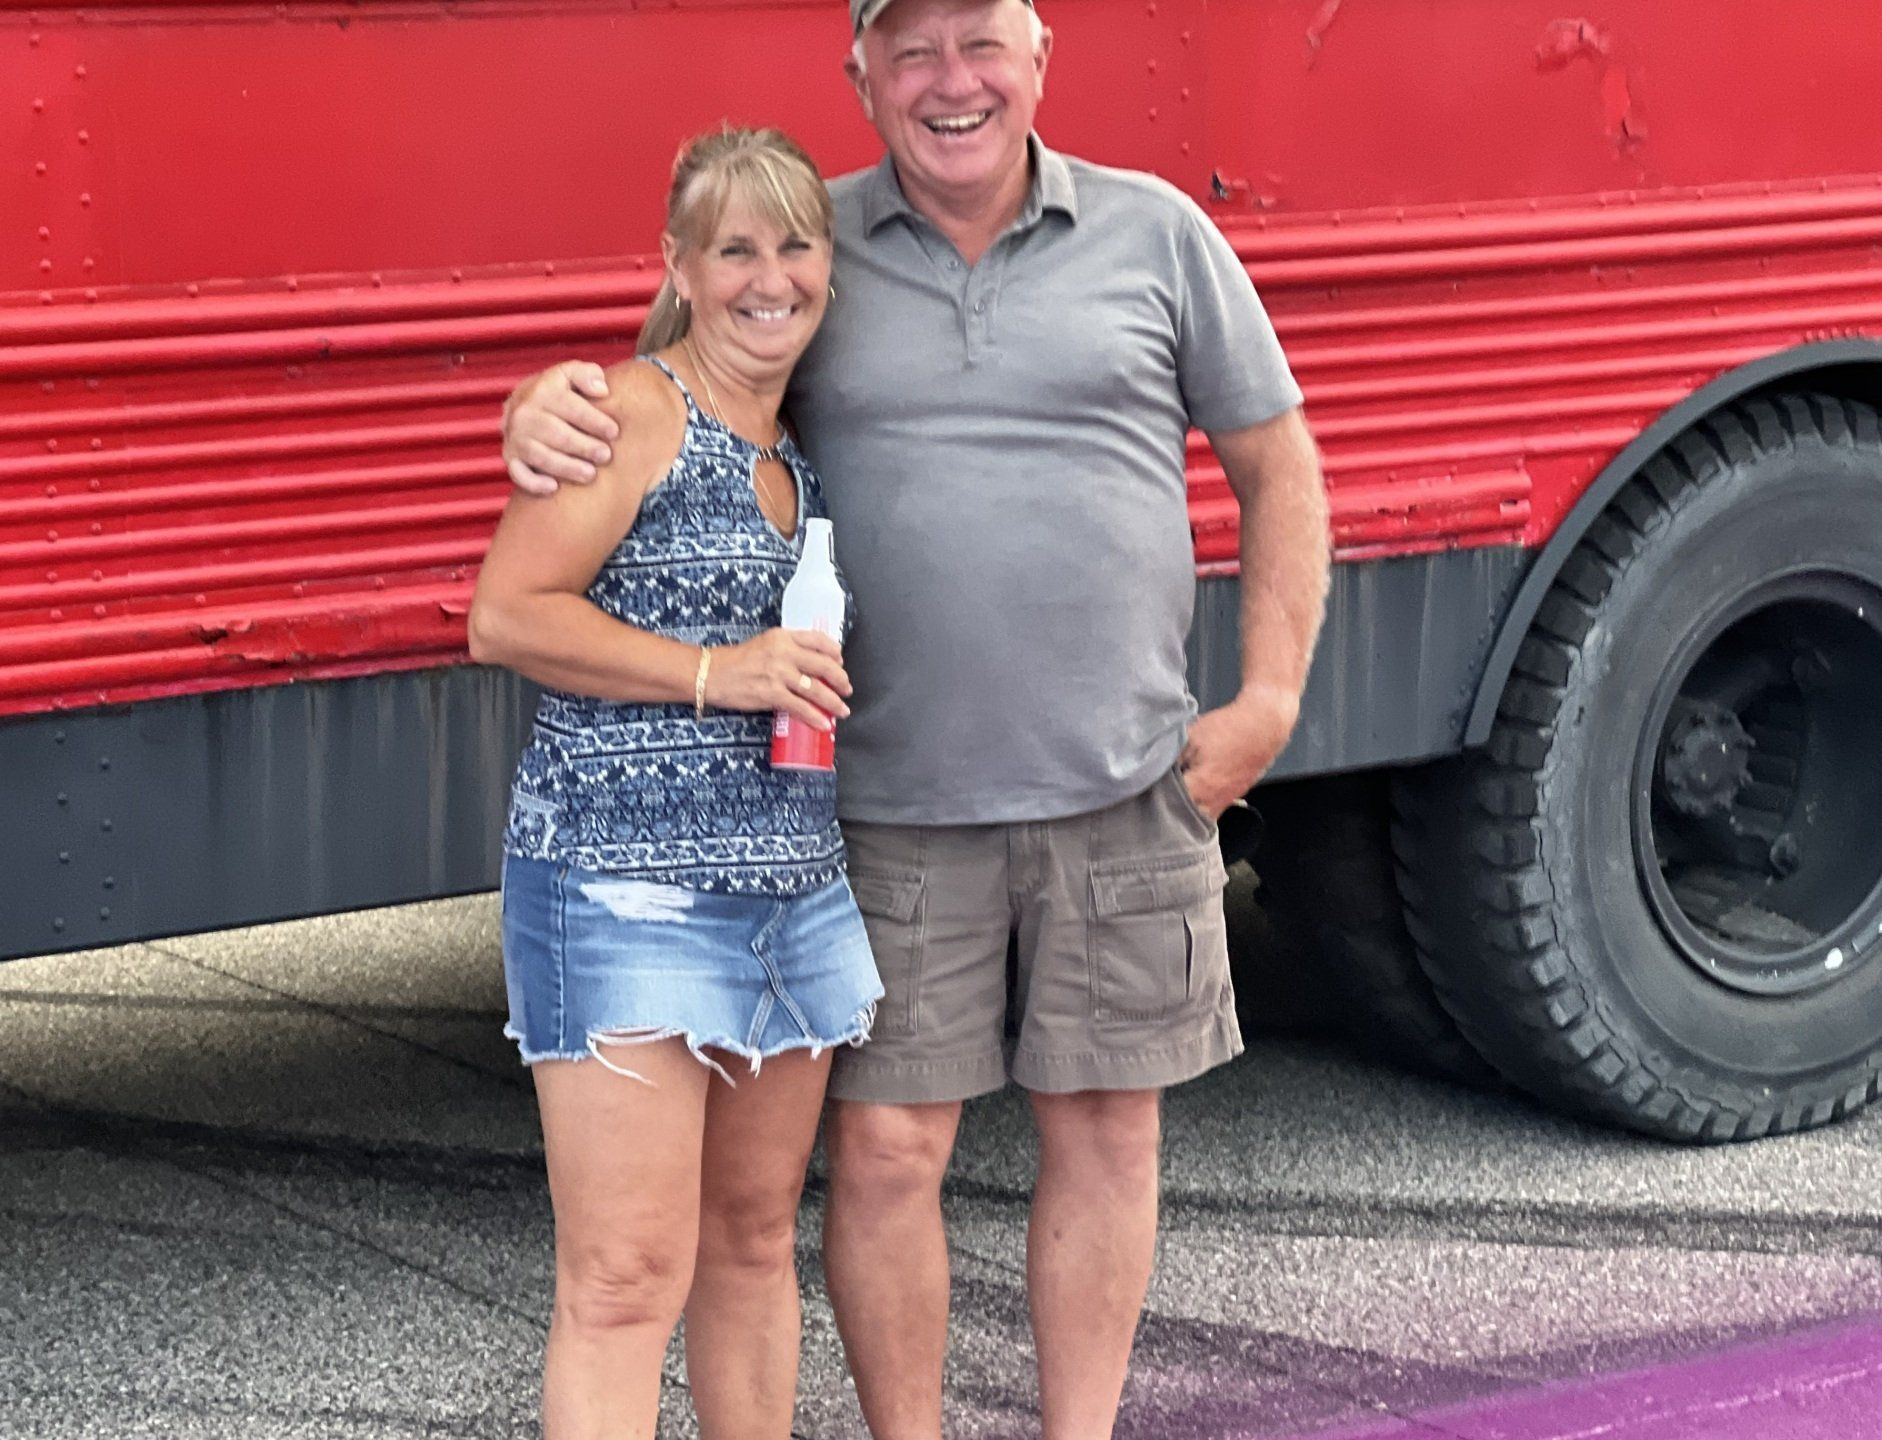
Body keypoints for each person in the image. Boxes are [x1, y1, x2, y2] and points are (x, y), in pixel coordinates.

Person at [500, 2, 1331, 1435]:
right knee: (884, 1155)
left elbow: (1280, 467)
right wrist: (540, 405)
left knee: (1108, 1135)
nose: (954, 83)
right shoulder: (808, 240)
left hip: (1123, 782)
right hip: (878, 799)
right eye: (915, 50)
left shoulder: (1156, 234)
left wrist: (1267, 699)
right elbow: (667, 374)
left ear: (1040, 58)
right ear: (863, 75)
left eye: (982, 44)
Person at [468, 126, 884, 1440]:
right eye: (737, 250)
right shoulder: (631, 412)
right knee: (625, 1275)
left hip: (790, 897)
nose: (772, 279)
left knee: (757, 1245)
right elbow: (505, 615)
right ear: (682, 268)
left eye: (796, 247)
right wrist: (721, 673)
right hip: (618, 889)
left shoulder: (802, 446)